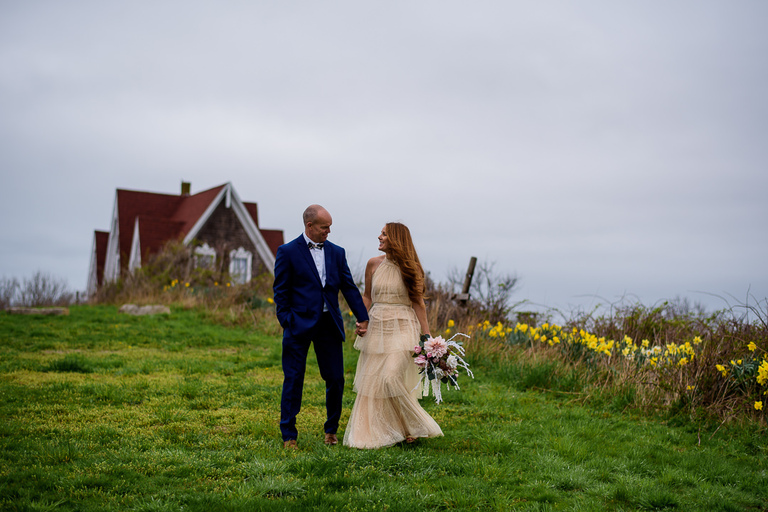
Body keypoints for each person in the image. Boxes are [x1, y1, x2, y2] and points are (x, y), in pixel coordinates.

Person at [273, 204, 369, 449]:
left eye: (330, 227)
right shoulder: (287, 251)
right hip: (298, 324)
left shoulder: (337, 252)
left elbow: (348, 287)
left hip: (329, 324)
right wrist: (286, 320)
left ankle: (331, 430)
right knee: (293, 379)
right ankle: (289, 435)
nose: (328, 231)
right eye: (324, 227)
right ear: (310, 226)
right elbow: (281, 291)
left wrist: (362, 317)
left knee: (336, 378)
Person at [343, 222, 443, 449]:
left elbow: (418, 303)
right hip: (377, 326)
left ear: (396, 239)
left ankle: (417, 424)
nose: (379, 237)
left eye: (384, 234)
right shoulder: (373, 264)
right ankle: (395, 429)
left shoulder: (412, 268)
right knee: (374, 382)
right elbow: (367, 296)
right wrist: (362, 319)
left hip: (403, 326)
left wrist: (427, 337)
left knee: (390, 377)